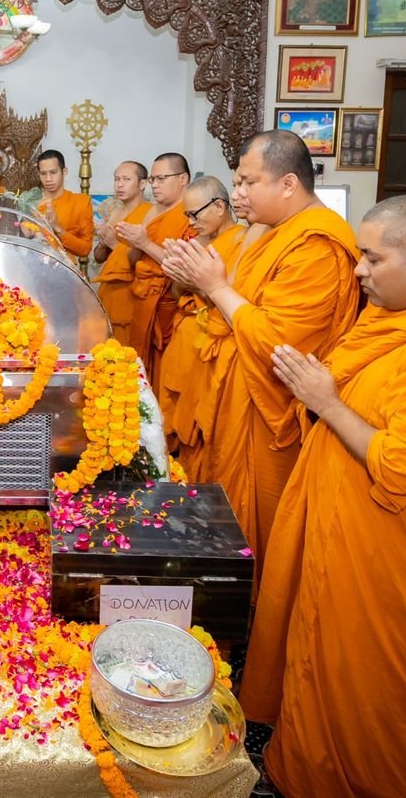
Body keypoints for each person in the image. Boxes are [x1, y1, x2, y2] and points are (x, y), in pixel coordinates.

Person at [239, 194, 406, 798]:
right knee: (320, 662)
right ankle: (303, 770)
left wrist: (326, 401)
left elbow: (399, 465)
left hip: (395, 564)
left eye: (371, 257)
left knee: (374, 686)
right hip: (344, 533)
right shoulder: (393, 321)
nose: (358, 270)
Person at [163, 131, 359, 567]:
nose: (237, 194)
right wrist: (204, 282)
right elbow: (241, 303)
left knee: (256, 527)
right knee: (222, 512)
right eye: (237, 183)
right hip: (234, 388)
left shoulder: (316, 245)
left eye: (248, 182)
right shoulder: (273, 233)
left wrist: (213, 286)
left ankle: (250, 604)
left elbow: (278, 342)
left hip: (267, 408)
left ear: (288, 184)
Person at [156, 177, 248, 452]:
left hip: (210, 345)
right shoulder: (196, 242)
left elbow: (232, 303)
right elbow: (176, 295)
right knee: (173, 414)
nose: (191, 222)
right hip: (184, 339)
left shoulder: (243, 242)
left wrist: (199, 282)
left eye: (194, 214)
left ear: (219, 206)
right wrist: (180, 275)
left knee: (198, 428)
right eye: (187, 215)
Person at [113, 152, 193, 389]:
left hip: (166, 302)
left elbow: (183, 268)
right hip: (141, 298)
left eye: (161, 179)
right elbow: (132, 260)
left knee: (161, 371)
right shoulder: (152, 211)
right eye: (154, 179)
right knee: (138, 366)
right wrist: (136, 243)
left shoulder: (190, 214)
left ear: (183, 179)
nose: (155, 185)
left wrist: (145, 243)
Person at [94, 161, 151, 346]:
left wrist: (113, 243)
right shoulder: (115, 212)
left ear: (142, 184)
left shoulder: (149, 213)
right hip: (108, 291)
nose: (120, 184)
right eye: (117, 179)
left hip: (130, 292)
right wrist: (103, 243)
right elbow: (99, 257)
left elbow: (144, 256)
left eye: (126, 179)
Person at [35, 149, 95, 259]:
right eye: (43, 174)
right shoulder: (31, 203)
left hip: (65, 268)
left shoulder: (80, 202)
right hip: (31, 266)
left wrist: (58, 228)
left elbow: (85, 249)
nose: (48, 179)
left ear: (64, 172)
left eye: (53, 172)